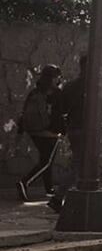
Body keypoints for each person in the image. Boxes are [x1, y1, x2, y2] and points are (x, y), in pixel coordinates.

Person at [49, 55, 102, 212]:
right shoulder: (95, 87)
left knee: (80, 163)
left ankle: (70, 197)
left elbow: (61, 108)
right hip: (87, 131)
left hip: (73, 129)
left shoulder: (70, 86)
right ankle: (59, 197)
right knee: (80, 165)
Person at [16, 65, 64, 202]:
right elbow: (60, 114)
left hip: (33, 131)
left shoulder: (34, 92)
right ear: (55, 78)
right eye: (58, 77)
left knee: (46, 158)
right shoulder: (56, 93)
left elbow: (24, 112)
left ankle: (49, 189)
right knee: (47, 161)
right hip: (49, 132)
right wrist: (63, 130)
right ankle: (24, 182)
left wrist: (21, 130)